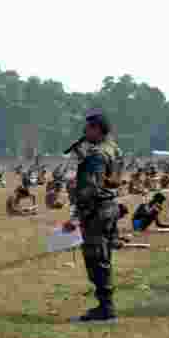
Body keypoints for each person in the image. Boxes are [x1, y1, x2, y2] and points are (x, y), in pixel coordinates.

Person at [64, 109, 123, 323]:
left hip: (96, 211)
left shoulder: (97, 154)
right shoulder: (114, 149)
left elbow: (92, 189)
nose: (84, 131)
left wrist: (77, 216)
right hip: (109, 207)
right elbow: (112, 180)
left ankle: (106, 309)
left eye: (88, 127)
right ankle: (106, 307)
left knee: (96, 259)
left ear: (97, 128)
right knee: (104, 257)